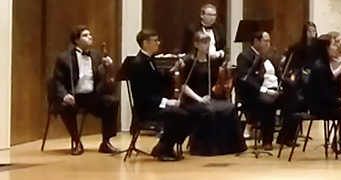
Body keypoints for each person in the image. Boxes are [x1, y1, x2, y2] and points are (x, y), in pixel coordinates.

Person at [48, 25, 119, 155]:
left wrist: (109, 67)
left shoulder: (96, 56)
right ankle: (76, 141)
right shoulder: (64, 58)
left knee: (112, 102)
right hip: (74, 95)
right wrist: (65, 95)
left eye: (90, 34)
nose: (90, 37)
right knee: (66, 106)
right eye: (85, 35)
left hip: (91, 94)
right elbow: (57, 81)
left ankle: (106, 142)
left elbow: (104, 79)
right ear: (76, 40)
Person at [179, 31, 246, 156]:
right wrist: (199, 99)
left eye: (208, 42)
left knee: (229, 107)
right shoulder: (189, 62)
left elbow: (217, 80)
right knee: (209, 111)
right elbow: (184, 85)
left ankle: (229, 147)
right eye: (204, 42)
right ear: (196, 44)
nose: (207, 45)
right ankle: (207, 148)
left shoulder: (212, 62)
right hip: (193, 99)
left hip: (209, 97)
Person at [129, 30, 193, 161]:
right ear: (146, 43)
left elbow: (157, 80)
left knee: (190, 113)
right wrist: (167, 102)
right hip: (146, 108)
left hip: (155, 103)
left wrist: (173, 70)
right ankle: (163, 148)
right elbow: (142, 94)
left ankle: (166, 146)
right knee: (179, 115)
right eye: (155, 40)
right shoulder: (137, 63)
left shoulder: (149, 60)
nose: (158, 43)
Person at [235, 30, 281, 149]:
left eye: (269, 41)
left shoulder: (271, 57)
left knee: (293, 98)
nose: (268, 44)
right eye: (265, 41)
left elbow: (278, 75)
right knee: (269, 103)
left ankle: (286, 136)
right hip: (252, 94)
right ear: (256, 41)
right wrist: (264, 90)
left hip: (272, 90)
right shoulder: (244, 56)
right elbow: (246, 79)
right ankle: (267, 141)